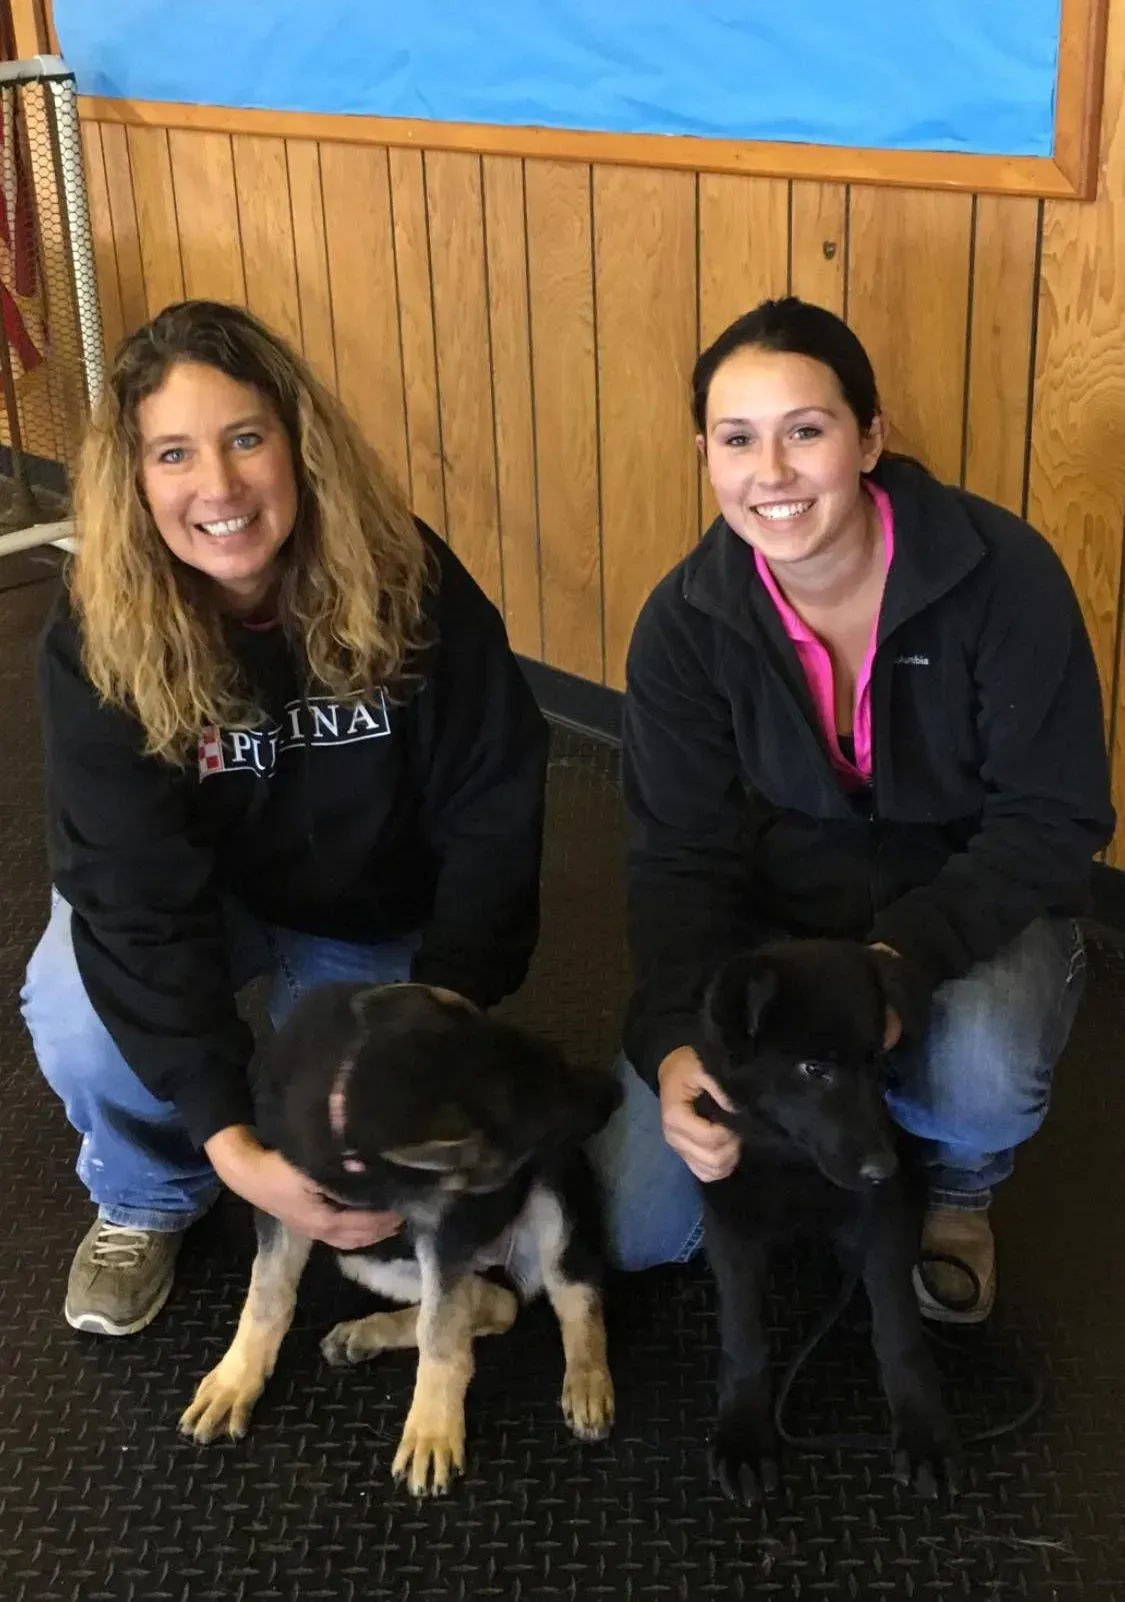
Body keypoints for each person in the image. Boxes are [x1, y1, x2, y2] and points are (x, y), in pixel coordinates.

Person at [20, 300, 548, 1337]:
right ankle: (149, 1195)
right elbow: (131, 897)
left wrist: (446, 999)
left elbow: (497, 803)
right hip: (197, 908)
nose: (217, 486)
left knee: (376, 1130)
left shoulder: (410, 580)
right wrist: (226, 1136)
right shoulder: (95, 636)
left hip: (364, 908)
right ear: (134, 483)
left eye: (245, 438)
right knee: (77, 1007)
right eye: (173, 454)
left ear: (300, 447)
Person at [589, 296, 1113, 1323]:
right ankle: (850, 1121)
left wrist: (901, 962)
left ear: (869, 437)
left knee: (978, 1072)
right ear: (706, 453)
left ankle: (958, 1190)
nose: (770, 474)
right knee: (635, 1227)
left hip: (969, 917)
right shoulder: (682, 623)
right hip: (779, 935)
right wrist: (673, 1046)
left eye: (807, 432)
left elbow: (1052, 819)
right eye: (737, 439)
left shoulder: (1003, 574)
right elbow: (676, 863)